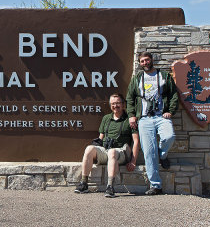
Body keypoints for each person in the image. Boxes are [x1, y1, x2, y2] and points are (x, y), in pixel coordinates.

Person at [126, 51, 178, 195]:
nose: (145, 63)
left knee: (169, 137)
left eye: (147, 60)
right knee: (149, 152)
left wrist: (171, 111)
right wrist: (131, 115)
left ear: (152, 60)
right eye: (142, 61)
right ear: (140, 63)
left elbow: (173, 95)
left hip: (161, 116)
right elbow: (130, 98)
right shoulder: (137, 79)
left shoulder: (164, 76)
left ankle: (162, 155)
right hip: (144, 118)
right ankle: (156, 185)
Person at [74, 93, 139, 197]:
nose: (115, 106)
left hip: (121, 152)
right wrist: (96, 148)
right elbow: (101, 138)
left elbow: (136, 141)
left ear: (123, 105)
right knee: (89, 149)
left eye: (118, 103)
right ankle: (84, 183)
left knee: (113, 152)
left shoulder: (130, 120)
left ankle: (110, 187)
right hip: (106, 150)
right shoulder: (106, 118)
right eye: (113, 104)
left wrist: (133, 161)